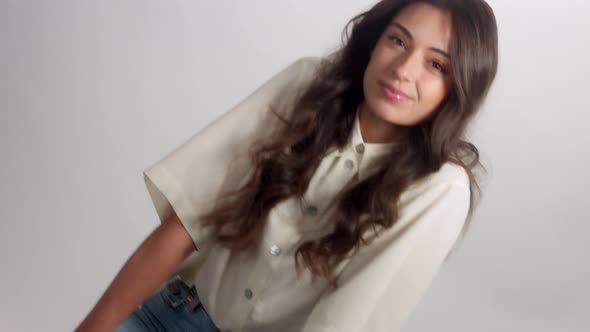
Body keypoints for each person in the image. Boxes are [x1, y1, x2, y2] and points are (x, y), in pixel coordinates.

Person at [76, 0, 498, 331]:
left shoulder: (440, 190)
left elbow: (339, 325)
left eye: (436, 64)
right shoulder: (306, 86)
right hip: (166, 316)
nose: (404, 70)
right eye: (398, 41)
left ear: (459, 86)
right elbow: (188, 223)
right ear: (375, 42)